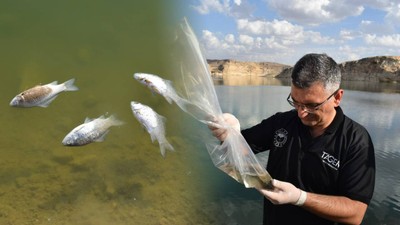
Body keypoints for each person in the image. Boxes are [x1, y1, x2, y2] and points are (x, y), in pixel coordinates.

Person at [209, 53, 375, 225]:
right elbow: (239, 151)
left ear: (337, 97)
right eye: (295, 102)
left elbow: (355, 213)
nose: (301, 113)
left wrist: (300, 198)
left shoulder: (356, 140)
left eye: (311, 105)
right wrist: (229, 134)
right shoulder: (282, 123)